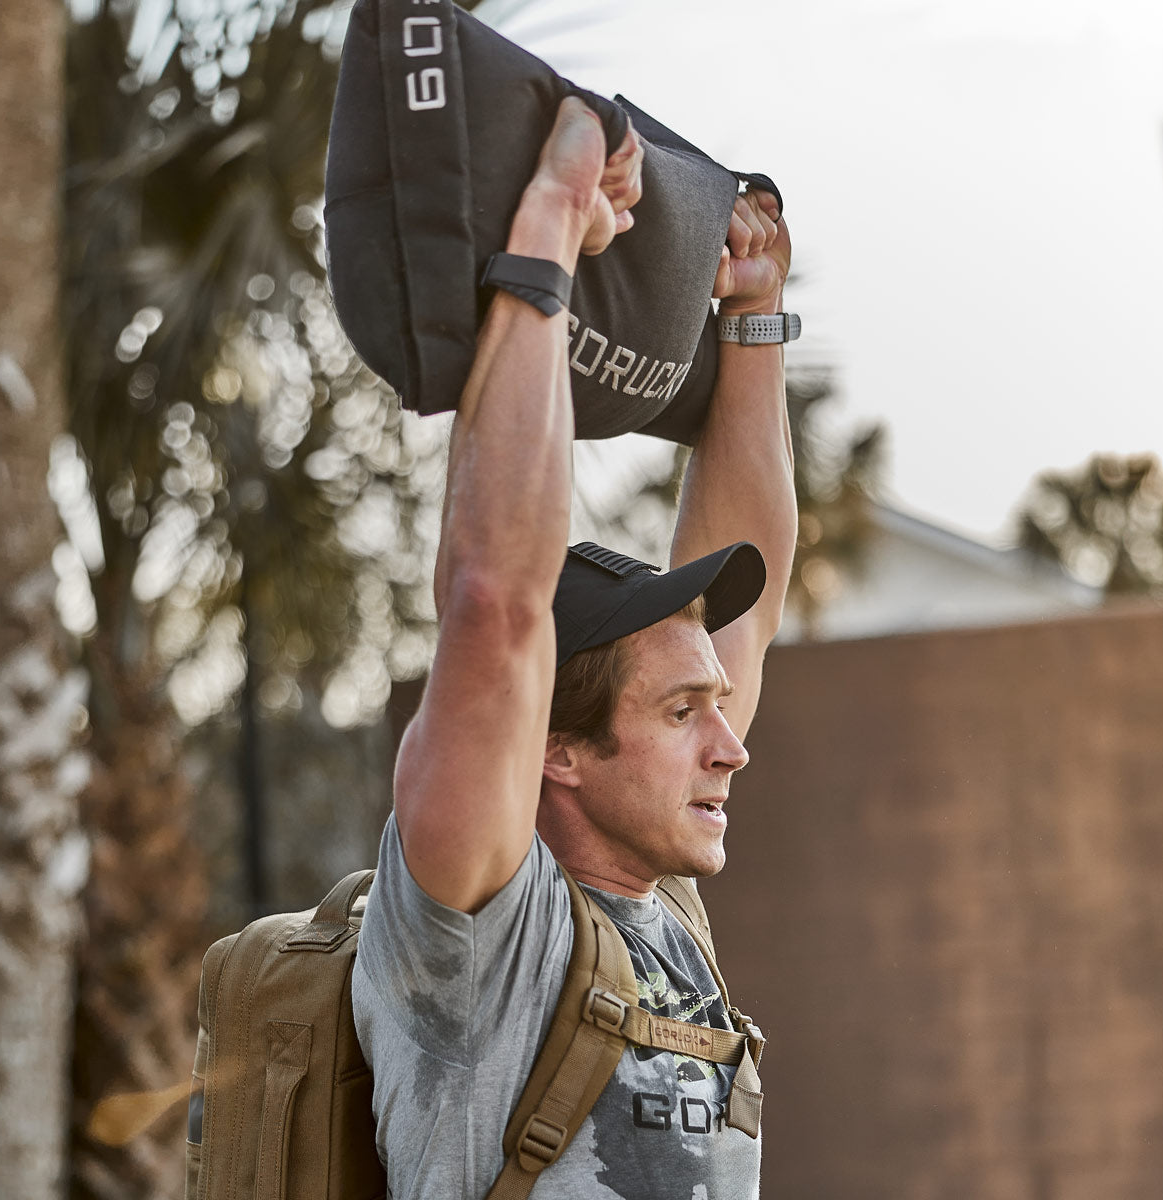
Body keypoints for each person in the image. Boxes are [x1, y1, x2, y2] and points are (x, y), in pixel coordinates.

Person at [352, 96, 797, 1200]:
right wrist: (548, 228)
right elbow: (496, 600)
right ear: (557, 749)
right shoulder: (478, 922)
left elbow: (754, 574)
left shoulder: (663, 905)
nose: (730, 745)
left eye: (713, 707)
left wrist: (751, 324)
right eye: (682, 715)